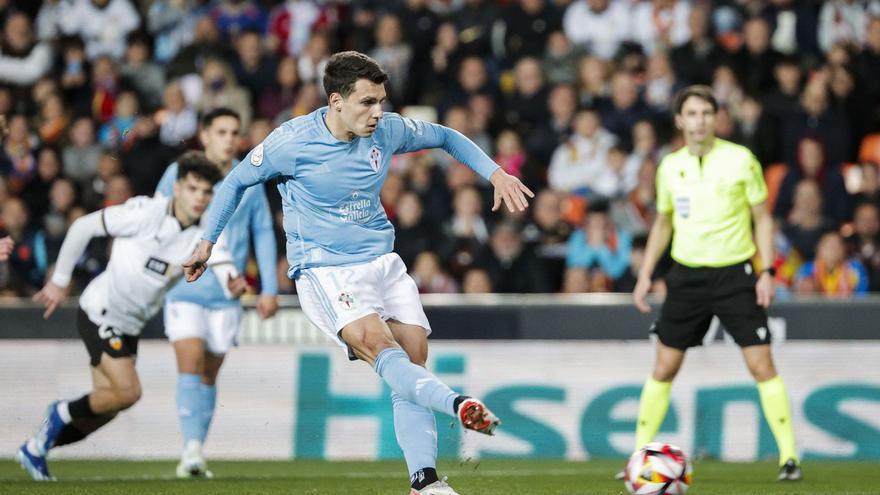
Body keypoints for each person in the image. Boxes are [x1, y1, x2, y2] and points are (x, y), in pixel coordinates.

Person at [183, 51, 533, 495]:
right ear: (336, 101)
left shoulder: (386, 131)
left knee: (412, 361)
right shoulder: (290, 142)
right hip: (325, 269)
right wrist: (206, 242)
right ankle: (457, 403)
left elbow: (445, 136)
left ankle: (423, 482)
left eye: (381, 100)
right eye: (367, 102)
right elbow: (234, 181)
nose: (377, 112)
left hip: (382, 263)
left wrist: (496, 173)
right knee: (380, 348)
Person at [17, 152, 233, 481]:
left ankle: (36, 447)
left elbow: (224, 260)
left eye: (206, 192)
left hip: (130, 325)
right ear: (177, 189)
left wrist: (234, 279)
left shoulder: (204, 234)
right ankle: (58, 413)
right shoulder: (146, 213)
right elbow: (83, 226)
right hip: (101, 311)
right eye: (192, 189)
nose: (200, 198)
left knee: (111, 405)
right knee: (128, 392)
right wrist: (60, 281)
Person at [631, 86, 802, 481]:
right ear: (679, 120)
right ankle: (638, 458)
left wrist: (767, 271)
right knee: (664, 365)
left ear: (716, 118)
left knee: (761, 364)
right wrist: (646, 273)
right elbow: (664, 222)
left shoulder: (741, 160)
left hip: (735, 273)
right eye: (691, 113)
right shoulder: (670, 166)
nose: (699, 120)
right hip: (686, 275)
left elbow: (762, 217)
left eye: (706, 113)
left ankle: (789, 458)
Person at [154, 108, 279, 478]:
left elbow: (263, 231)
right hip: (184, 287)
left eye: (234, 132)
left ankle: (195, 448)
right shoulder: (180, 173)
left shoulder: (248, 177)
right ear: (204, 135)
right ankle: (191, 452)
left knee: (209, 373)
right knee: (190, 361)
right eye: (221, 131)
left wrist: (269, 288)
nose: (228, 139)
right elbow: (157, 219)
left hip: (228, 295)